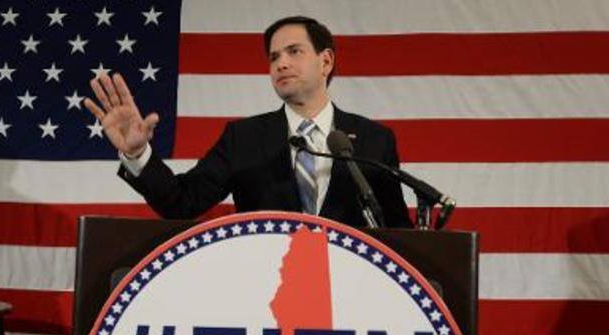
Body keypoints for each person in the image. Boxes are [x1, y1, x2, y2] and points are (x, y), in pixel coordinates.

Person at [85, 16, 412, 228]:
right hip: (266, 295)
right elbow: (181, 203)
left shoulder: (374, 139)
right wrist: (138, 154)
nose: (281, 63)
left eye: (294, 52)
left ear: (325, 61)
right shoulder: (244, 137)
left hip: (354, 299)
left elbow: (396, 229)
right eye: (273, 57)